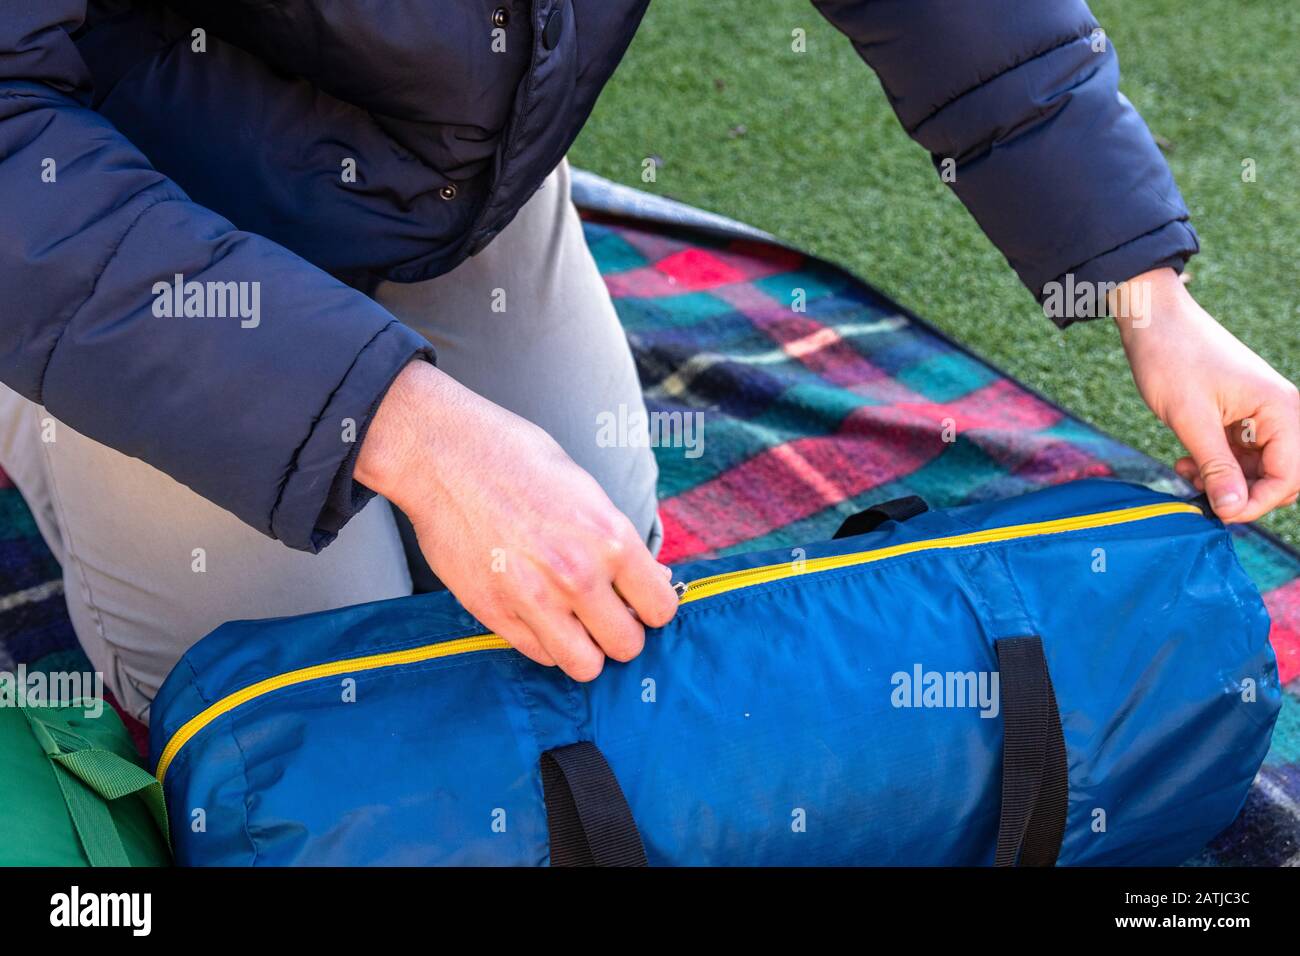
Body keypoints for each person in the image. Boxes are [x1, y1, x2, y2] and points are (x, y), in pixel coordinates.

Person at [1, 2, 1295, 720]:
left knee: (603, 610)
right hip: (123, 194)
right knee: (300, 713)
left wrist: (1141, 288)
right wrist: (405, 425)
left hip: (442, 168)